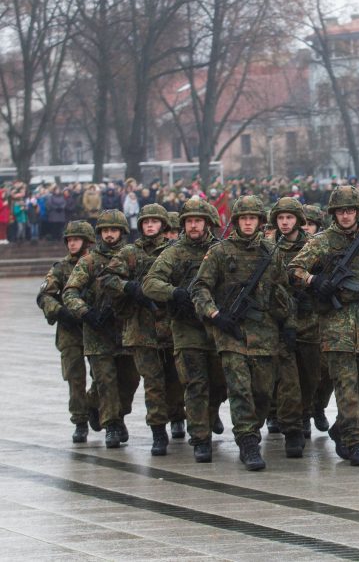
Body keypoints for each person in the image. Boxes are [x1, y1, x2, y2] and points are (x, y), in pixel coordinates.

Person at [288, 186, 359, 467]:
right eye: (341, 211)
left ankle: (344, 425)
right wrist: (315, 282)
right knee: (346, 386)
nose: (346, 215)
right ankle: (354, 440)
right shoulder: (321, 242)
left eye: (350, 210)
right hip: (336, 326)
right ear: (334, 214)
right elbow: (293, 270)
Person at [192, 195, 294, 471]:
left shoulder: (272, 253)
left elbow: (283, 290)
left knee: (262, 393)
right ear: (235, 221)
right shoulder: (220, 252)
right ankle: (248, 442)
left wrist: (287, 324)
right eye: (243, 218)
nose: (248, 223)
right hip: (231, 333)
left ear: (261, 222)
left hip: (265, 333)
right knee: (240, 390)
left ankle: (252, 429)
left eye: (253, 218)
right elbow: (199, 287)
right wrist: (215, 315)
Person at [143, 198, 227, 463]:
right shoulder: (173, 252)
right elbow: (150, 283)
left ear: (207, 224)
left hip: (215, 327)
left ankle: (209, 416)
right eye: (189, 221)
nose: (193, 225)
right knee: (195, 384)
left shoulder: (220, 250)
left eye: (198, 221)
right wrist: (174, 293)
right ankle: (200, 437)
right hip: (186, 328)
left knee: (219, 382)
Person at [100, 203, 185, 456]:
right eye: (145, 222)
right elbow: (107, 278)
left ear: (163, 225)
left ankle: (176, 416)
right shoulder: (129, 253)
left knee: (176, 381)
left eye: (154, 222)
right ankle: (158, 431)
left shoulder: (174, 251)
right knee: (153, 383)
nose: (149, 226)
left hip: (171, 328)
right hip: (141, 329)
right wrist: (129, 288)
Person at [63, 210, 141, 448]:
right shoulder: (89, 261)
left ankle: (104, 409)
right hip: (97, 332)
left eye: (114, 230)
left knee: (130, 380)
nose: (109, 235)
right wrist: (85, 312)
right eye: (105, 231)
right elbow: (70, 292)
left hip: (127, 330)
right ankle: (112, 424)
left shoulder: (133, 257)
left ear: (122, 232)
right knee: (106, 380)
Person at [37, 220, 96, 443]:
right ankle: (80, 420)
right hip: (70, 331)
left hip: (95, 328)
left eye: (76, 239)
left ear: (87, 242)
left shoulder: (98, 264)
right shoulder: (60, 268)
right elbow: (44, 296)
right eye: (69, 240)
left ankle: (94, 405)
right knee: (75, 377)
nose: (72, 244)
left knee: (102, 376)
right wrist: (60, 312)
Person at [264, 197, 311, 458]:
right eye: (280, 218)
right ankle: (290, 425)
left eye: (289, 217)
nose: (284, 222)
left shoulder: (313, 245)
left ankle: (305, 413)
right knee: (287, 377)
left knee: (312, 376)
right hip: (279, 319)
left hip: (310, 319)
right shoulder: (267, 246)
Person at [300, 202, 334, 431]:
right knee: (302, 373)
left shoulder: (324, 247)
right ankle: (302, 415)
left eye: (310, 224)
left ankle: (319, 407)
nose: (306, 228)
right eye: (302, 224)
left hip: (321, 317)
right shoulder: (285, 247)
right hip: (297, 319)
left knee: (326, 371)